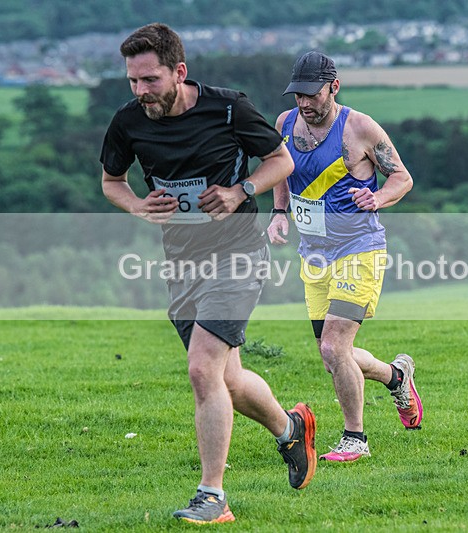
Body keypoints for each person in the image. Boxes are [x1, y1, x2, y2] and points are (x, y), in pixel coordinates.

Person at [100, 23, 316, 524]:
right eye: (132, 81)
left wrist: (241, 191)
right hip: (182, 262)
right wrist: (139, 206)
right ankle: (290, 428)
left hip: (238, 254)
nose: (140, 91)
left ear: (179, 71)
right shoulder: (129, 121)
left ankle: (212, 495)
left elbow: (279, 161)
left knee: (202, 368)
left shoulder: (228, 108)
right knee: (229, 380)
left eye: (150, 80)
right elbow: (112, 182)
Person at [266, 51, 422, 463]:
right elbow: (279, 169)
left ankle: (356, 438)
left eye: (312, 95)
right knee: (332, 355)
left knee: (336, 348)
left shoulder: (360, 128)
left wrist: (378, 197)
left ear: (334, 87)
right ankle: (396, 376)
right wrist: (279, 212)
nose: (304, 103)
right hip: (314, 255)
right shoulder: (284, 124)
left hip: (359, 249)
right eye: (297, 95)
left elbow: (402, 178)